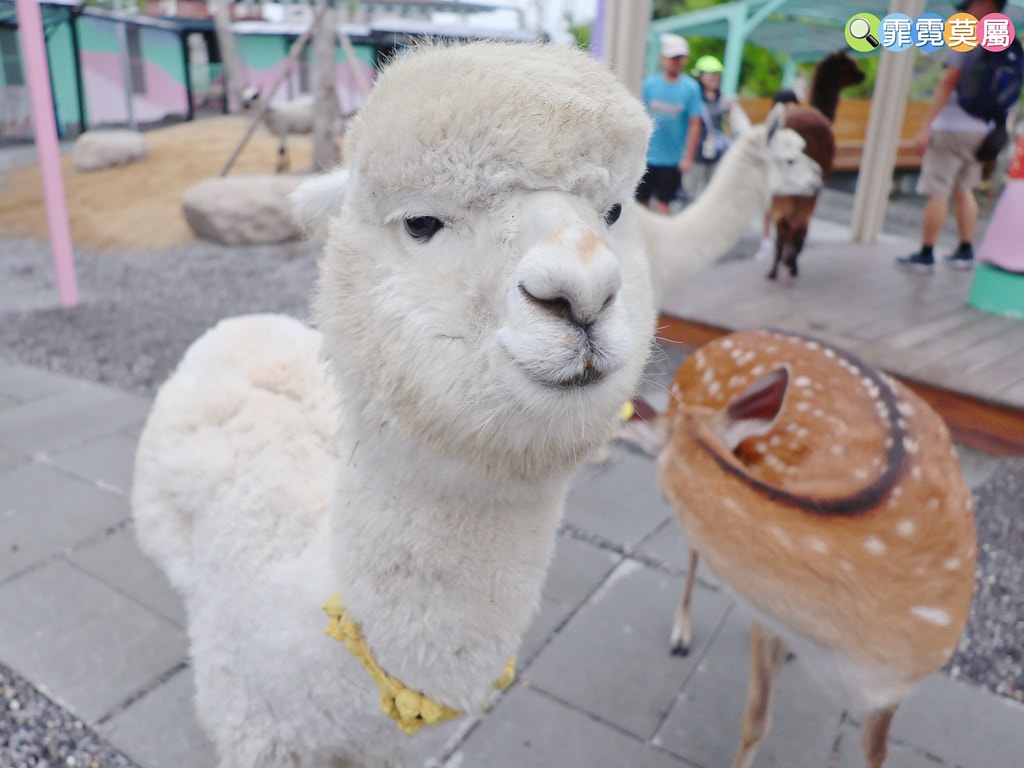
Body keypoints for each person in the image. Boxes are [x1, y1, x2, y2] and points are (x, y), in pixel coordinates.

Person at [897, 0, 1007, 273]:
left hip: (952, 127)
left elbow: (948, 81)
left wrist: (926, 126)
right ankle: (965, 250)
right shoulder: (1002, 40)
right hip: (983, 130)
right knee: (964, 188)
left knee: (938, 189)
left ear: (985, 3)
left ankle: (926, 253)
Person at [636, 34, 703, 214]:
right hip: (647, 155)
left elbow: (695, 123)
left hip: (672, 158)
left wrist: (688, 157)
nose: (675, 62)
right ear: (663, 59)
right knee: (641, 201)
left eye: (679, 58)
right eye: (672, 57)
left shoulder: (691, 88)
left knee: (664, 202)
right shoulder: (649, 85)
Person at [754, 89, 801, 261]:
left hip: (789, 171)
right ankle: (766, 241)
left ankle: (782, 242)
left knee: (787, 209)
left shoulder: (797, 123)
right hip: (774, 169)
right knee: (769, 205)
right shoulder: (773, 121)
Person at [685, 55, 736, 201]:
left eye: (717, 74)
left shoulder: (724, 101)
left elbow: (731, 126)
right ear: (700, 76)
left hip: (717, 153)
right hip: (696, 154)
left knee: (712, 194)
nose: (714, 77)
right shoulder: (693, 99)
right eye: (710, 74)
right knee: (690, 193)